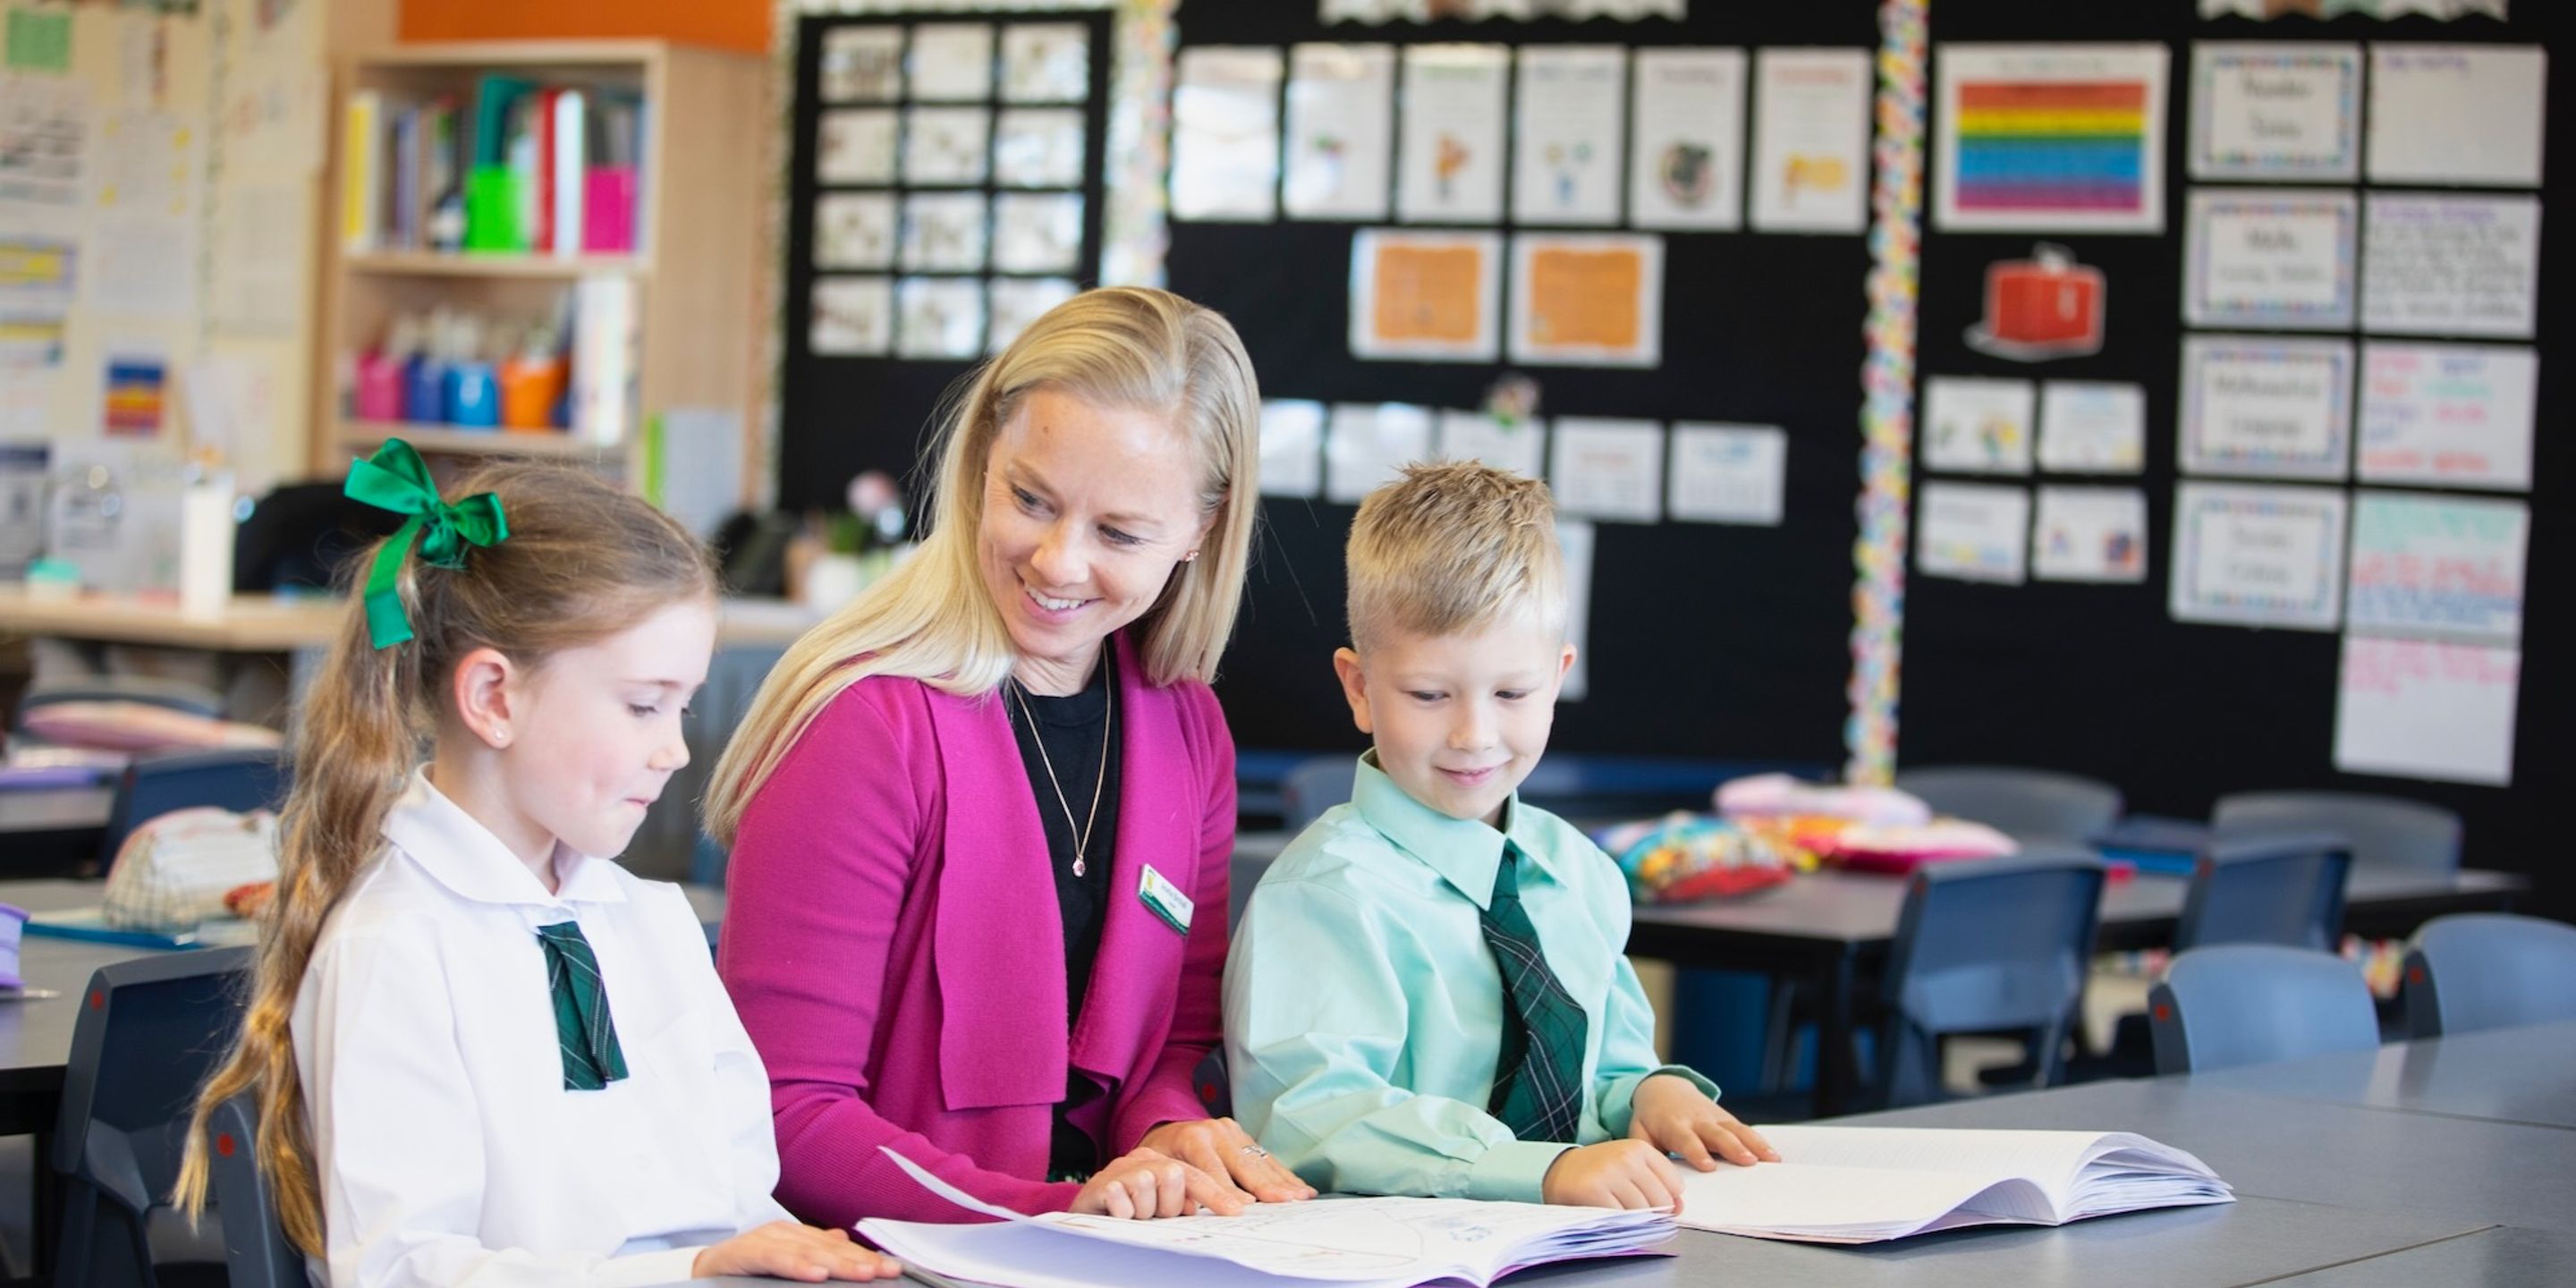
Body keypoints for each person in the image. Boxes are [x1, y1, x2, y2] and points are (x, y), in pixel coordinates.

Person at [176, 443, 902, 1286]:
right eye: (642, 705)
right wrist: (691, 1271)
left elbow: (739, 1195)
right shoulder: (397, 946)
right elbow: (406, 1269)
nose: (673, 750)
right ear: (493, 698)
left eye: (684, 706)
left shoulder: (649, 920)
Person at [706, 287, 1313, 1225]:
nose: (1059, 563)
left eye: (1119, 533)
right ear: (982, 458)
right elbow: (786, 1114)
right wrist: (1054, 1217)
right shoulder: (867, 725)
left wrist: (1164, 1140)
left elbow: (1170, 1050)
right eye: (1031, 500)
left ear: (1201, 529)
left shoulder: (1189, 730)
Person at [1224, 461, 1779, 1208]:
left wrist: (1652, 1093)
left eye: (1513, 693)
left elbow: (1606, 1070)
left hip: (1574, 1241)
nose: (1473, 734)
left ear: (1558, 676)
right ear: (1359, 688)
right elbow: (1315, 1119)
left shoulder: (1578, 874)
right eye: (1429, 694)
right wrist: (1535, 1171)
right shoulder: (1326, 896)